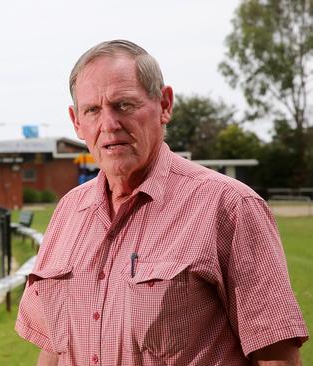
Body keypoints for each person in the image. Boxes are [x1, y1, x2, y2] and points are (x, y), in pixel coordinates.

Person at [16, 40, 308, 366]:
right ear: (76, 122)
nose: (109, 124)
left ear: (164, 104)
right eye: (93, 110)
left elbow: (276, 357)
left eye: (124, 105)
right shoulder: (68, 212)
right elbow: (55, 349)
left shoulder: (229, 207)